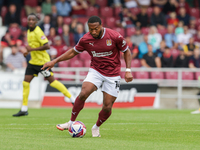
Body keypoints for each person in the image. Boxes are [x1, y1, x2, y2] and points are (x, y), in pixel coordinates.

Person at [41, 16, 133, 137]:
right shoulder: (85, 39)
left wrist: (128, 70)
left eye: (96, 29)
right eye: (91, 29)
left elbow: (126, 51)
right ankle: (71, 122)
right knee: (84, 92)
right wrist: (54, 61)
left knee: (107, 107)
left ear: (101, 26)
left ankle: (96, 127)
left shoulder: (115, 36)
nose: (93, 31)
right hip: (96, 71)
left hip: (113, 74)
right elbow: (73, 52)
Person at [12, 13, 75, 117]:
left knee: (53, 82)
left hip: (42, 63)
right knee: (25, 83)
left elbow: (47, 46)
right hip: (33, 62)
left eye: (33, 20)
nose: (31, 21)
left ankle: (72, 98)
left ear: (36, 22)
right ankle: (24, 109)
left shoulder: (38, 32)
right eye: (29, 20)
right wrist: (27, 51)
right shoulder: (28, 31)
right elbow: (32, 46)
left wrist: (32, 49)